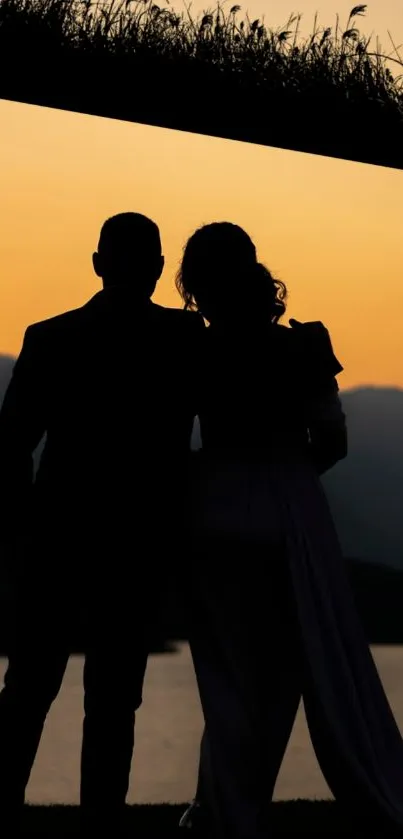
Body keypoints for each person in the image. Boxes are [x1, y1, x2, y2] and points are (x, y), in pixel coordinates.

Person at [176, 221, 403, 838]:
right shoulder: (303, 346)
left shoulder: (190, 349)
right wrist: (289, 468)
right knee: (303, 665)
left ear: (194, 280)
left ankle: (225, 812)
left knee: (227, 670)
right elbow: (333, 440)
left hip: (214, 507)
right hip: (289, 506)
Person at [0, 212, 204, 829]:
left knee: (30, 689)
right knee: (114, 697)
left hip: (59, 535)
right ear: (160, 268)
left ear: (97, 263)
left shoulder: (50, 337)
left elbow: (12, 445)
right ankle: (101, 819)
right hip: (137, 541)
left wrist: (25, 527)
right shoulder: (185, 337)